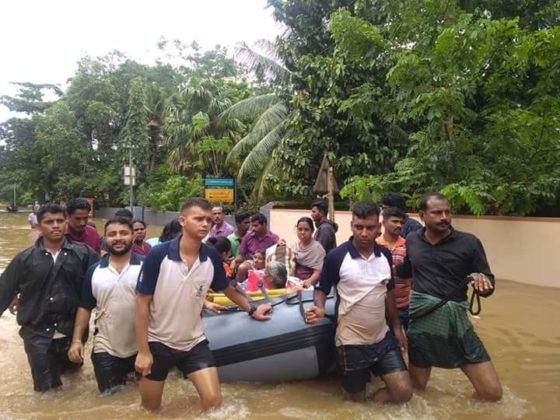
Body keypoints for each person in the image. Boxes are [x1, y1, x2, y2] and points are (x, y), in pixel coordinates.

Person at [134, 197, 273, 412]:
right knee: (150, 409)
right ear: (182, 220)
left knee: (213, 401)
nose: (205, 224)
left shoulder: (211, 257)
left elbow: (227, 288)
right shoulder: (158, 255)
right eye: (198, 219)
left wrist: (253, 309)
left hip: (193, 342)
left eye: (208, 220)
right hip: (157, 342)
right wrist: (143, 351)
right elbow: (142, 303)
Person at [396, 192, 502, 401]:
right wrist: (386, 268)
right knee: (417, 388)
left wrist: (481, 284)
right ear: (422, 215)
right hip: (421, 324)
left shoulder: (469, 243)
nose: (444, 217)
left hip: (456, 325)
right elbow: (408, 269)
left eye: (447, 212)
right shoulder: (412, 240)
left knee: (491, 393)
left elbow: (488, 284)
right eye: (437, 212)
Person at [305, 200, 412, 404]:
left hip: (382, 338)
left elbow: (389, 292)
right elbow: (321, 288)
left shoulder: (385, 255)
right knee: (354, 402)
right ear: (352, 226)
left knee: (404, 392)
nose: (364, 233)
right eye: (359, 227)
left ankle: (372, 405)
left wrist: (397, 328)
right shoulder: (336, 257)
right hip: (350, 342)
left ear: (378, 228)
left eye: (370, 228)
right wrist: (319, 308)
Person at [0, 203, 99, 392]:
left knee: (74, 383)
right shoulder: (24, 259)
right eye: (49, 222)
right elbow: (3, 291)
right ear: (38, 226)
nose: (56, 226)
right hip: (37, 334)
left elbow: (103, 284)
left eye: (60, 221)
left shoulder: (84, 254)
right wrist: (14, 294)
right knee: (47, 392)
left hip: (73, 333)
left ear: (66, 223)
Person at [68, 217, 143, 394]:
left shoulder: (147, 266)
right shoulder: (94, 271)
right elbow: (85, 307)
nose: (118, 238)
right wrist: (76, 341)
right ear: (104, 239)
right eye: (112, 234)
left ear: (133, 236)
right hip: (105, 347)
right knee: (110, 400)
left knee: (139, 400)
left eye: (123, 233)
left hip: (141, 348)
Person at [376, 206, 412, 330]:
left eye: (401, 222)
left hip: (404, 305)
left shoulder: (408, 246)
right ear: (384, 222)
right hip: (380, 306)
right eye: (395, 221)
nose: (399, 225)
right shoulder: (374, 246)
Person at [232, 213, 279, 283]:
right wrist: (234, 261)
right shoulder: (248, 237)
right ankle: (238, 289)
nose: (253, 228)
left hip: (267, 263)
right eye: (252, 226)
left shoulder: (273, 238)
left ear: (264, 225)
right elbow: (241, 255)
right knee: (242, 268)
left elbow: (277, 256)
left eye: (256, 226)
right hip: (252, 262)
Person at [293, 217, 325, 289]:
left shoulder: (317, 248)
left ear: (312, 231)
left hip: (311, 284)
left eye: (306, 230)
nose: (302, 232)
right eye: (300, 229)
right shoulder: (296, 244)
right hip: (296, 281)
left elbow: (318, 271)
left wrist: (308, 282)